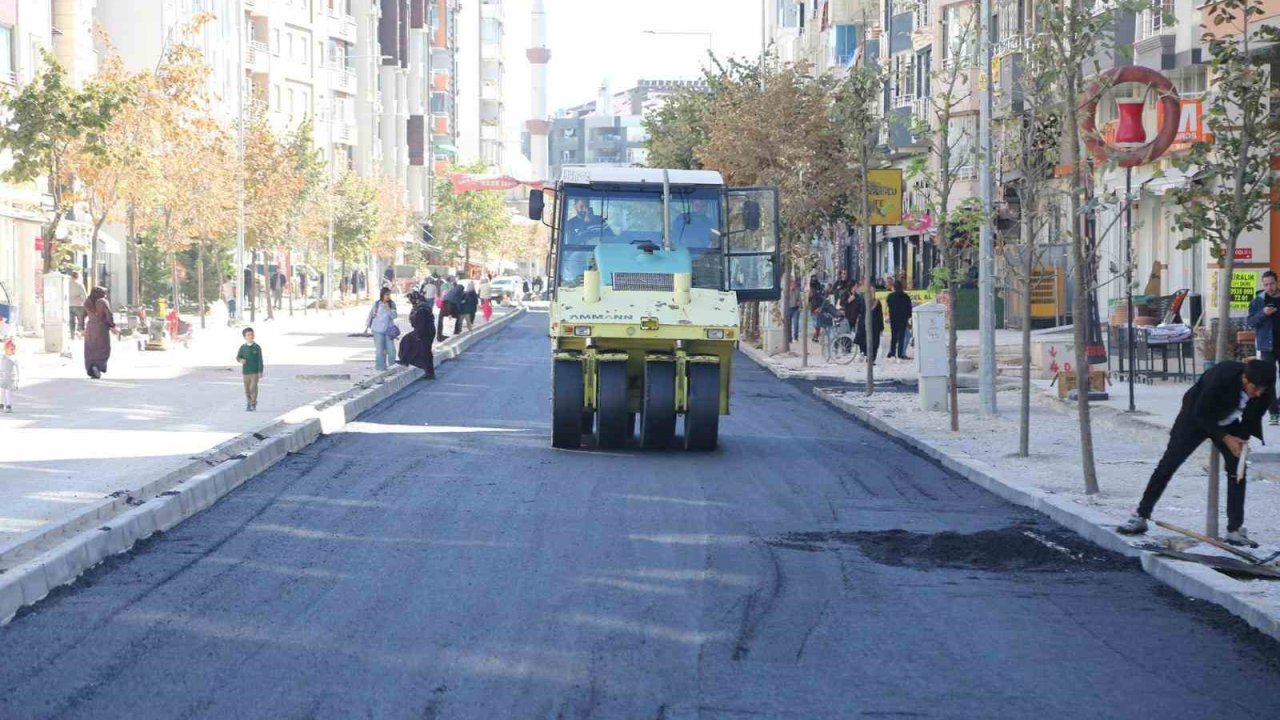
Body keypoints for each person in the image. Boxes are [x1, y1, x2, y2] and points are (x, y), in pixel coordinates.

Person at [1118, 358, 1276, 546]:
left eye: (1262, 390)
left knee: (1238, 470)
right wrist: (1226, 438)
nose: (1257, 393)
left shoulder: (1264, 388)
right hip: (1194, 418)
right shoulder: (1222, 376)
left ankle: (1234, 530)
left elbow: (1252, 418)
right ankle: (1141, 516)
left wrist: (1240, 440)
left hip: (1228, 420)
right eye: (1254, 388)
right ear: (1244, 378)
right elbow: (1201, 413)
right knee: (1169, 463)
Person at [1247, 269, 1280, 425]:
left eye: (1271, 284)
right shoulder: (1258, 301)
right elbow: (1250, 322)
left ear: (1277, 282)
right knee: (1269, 380)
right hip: (1267, 346)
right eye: (1266, 284)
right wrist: (1264, 313)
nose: (1269, 287)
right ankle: (1274, 413)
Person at [397, 289, 436, 378]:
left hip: (425, 332)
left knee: (418, 348)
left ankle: (406, 361)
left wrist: (418, 335)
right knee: (424, 350)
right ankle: (429, 372)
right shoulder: (422, 306)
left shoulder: (421, 309)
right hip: (427, 331)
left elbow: (422, 323)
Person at [83, 287, 119, 379]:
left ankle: (91, 367)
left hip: (90, 328)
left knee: (90, 348)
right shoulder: (103, 301)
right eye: (104, 293)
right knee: (103, 348)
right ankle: (98, 366)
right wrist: (112, 326)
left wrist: (81, 328)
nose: (105, 295)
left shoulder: (87, 301)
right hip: (101, 328)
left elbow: (82, 315)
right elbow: (109, 315)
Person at [365, 287, 399, 371]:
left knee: (391, 350)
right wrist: (367, 326)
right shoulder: (377, 304)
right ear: (382, 295)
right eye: (387, 294)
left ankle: (392, 367)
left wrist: (388, 310)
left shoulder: (391, 304)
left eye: (389, 294)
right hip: (377, 330)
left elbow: (394, 316)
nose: (388, 296)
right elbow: (371, 314)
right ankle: (380, 367)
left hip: (388, 331)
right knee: (379, 350)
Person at [236, 327, 264, 411]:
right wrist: (241, 360)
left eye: (252, 334)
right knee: (247, 388)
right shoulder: (243, 347)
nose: (250, 336)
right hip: (246, 372)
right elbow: (238, 357)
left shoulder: (257, 347)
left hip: (255, 371)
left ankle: (253, 403)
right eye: (248, 335)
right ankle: (249, 402)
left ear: (254, 335)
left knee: (253, 387)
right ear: (244, 337)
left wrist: (260, 371)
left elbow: (260, 360)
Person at [887, 280, 913, 360]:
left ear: (894, 287)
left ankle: (892, 353)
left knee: (894, 337)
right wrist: (908, 317)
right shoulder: (906, 297)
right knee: (901, 337)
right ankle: (900, 354)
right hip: (903, 320)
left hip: (894, 319)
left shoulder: (890, 296)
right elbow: (909, 309)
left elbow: (889, 306)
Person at [68, 271, 87, 338]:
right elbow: (84, 295)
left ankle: (72, 335)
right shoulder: (80, 284)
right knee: (80, 320)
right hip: (79, 305)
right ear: (78, 277)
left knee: (71, 321)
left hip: (69, 305)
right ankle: (79, 332)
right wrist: (86, 304)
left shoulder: (67, 283)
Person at [0, 337, 17, 413]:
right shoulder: (2, 357)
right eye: (11, 349)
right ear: (6, 349)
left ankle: (8, 405)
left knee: (8, 392)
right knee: (1, 392)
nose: (13, 351)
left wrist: (17, 379)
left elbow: (16, 369)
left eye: (14, 349)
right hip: (2, 378)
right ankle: (1, 404)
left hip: (10, 378)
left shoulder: (14, 358)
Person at [786, 276, 802, 343]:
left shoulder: (797, 291)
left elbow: (799, 300)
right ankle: (789, 338)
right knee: (788, 324)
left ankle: (795, 337)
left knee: (796, 324)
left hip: (795, 309)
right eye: (793, 284)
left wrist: (800, 307)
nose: (794, 285)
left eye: (794, 284)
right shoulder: (786, 291)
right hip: (788, 309)